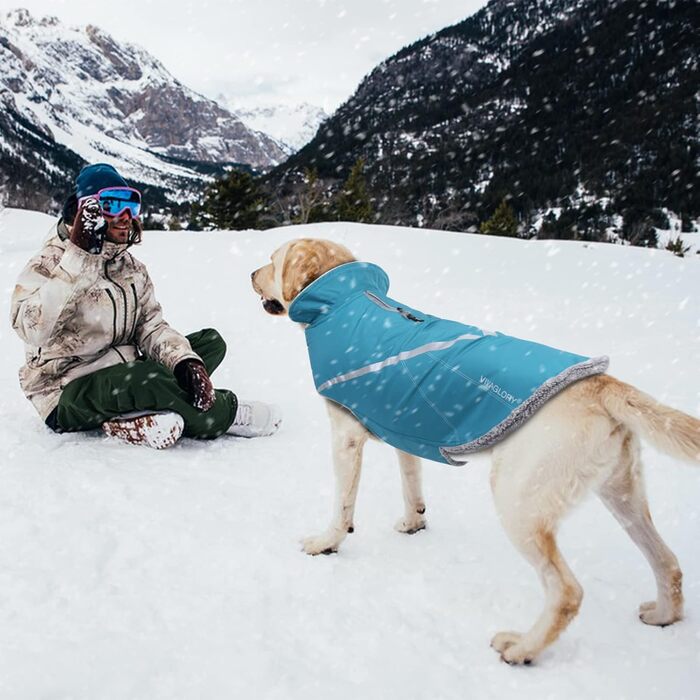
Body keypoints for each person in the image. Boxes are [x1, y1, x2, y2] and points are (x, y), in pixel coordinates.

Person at [11, 163, 281, 449]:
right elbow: (32, 330)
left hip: (123, 371)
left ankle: (134, 415)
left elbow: (150, 326)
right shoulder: (50, 262)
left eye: (132, 204)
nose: (126, 216)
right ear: (87, 211)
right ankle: (223, 413)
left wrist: (184, 362)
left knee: (210, 344)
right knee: (147, 378)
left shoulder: (129, 267)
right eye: (113, 204)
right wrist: (78, 260)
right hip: (65, 391)